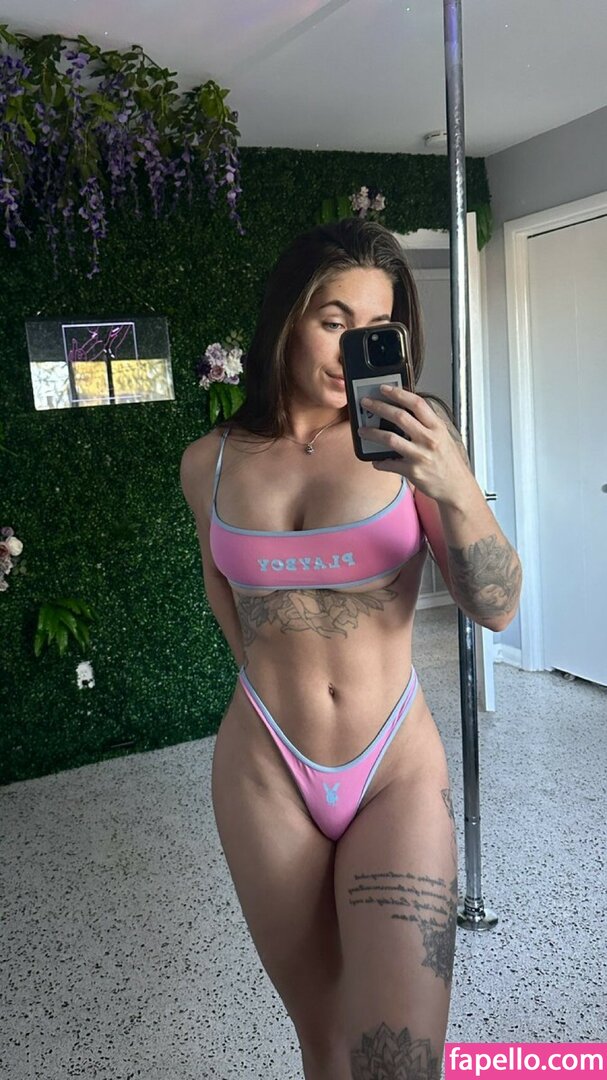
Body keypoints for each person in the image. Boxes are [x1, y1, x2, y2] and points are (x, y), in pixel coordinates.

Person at [180, 218, 522, 1080]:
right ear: (285, 319)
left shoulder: (415, 439)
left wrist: (452, 485)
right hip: (264, 767)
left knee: (399, 1060)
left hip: (390, 769)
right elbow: (226, 596)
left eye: (375, 327)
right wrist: (275, 691)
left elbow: (497, 608)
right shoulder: (209, 462)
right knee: (325, 1044)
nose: (350, 350)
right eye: (332, 321)